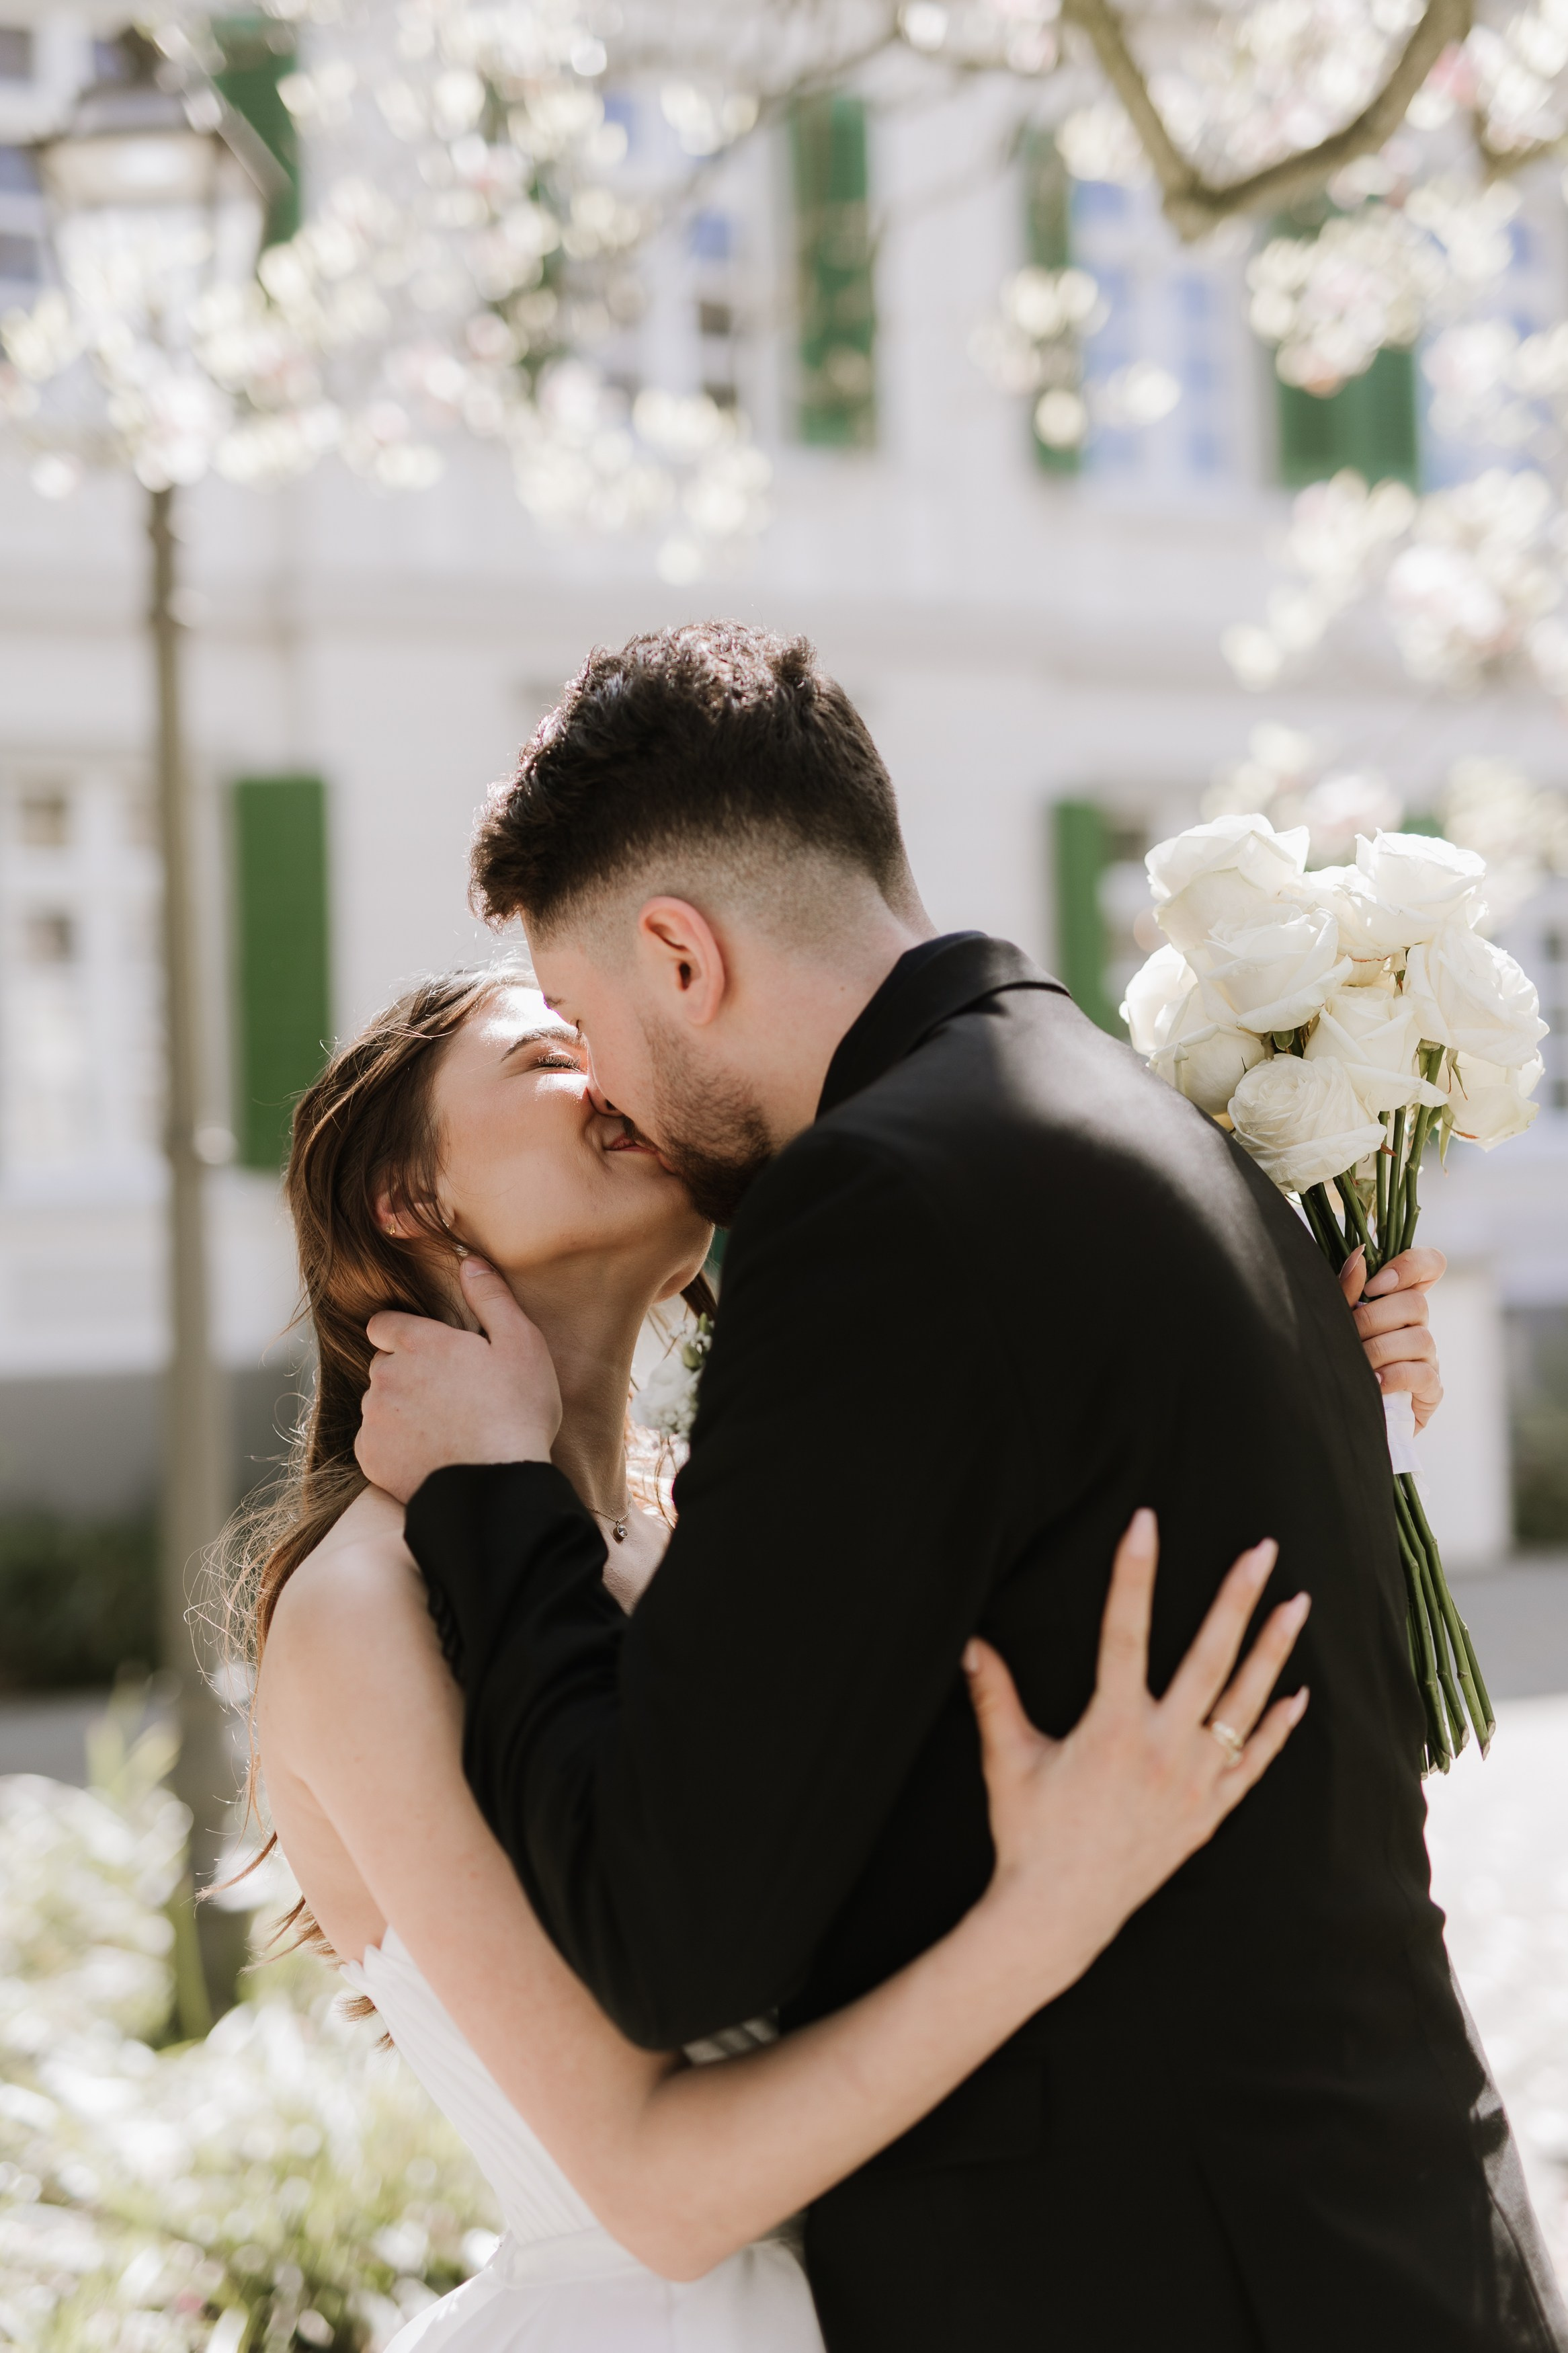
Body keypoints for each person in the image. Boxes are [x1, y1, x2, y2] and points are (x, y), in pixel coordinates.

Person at [354, 623, 1567, 2352]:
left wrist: (489, 1494)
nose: (607, 1092)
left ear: (681, 956)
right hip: (1391, 2241)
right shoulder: (1148, 1131)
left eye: (585, 1022)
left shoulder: (881, 1212)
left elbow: (670, 1931)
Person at [244, 963, 1313, 2353]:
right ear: (408, 1203)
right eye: (548, 1056)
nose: (619, 1069)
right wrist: (1050, 1912)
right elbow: (660, 2200)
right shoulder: (358, 1612)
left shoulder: (716, 1525)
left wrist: (1315, 1358)